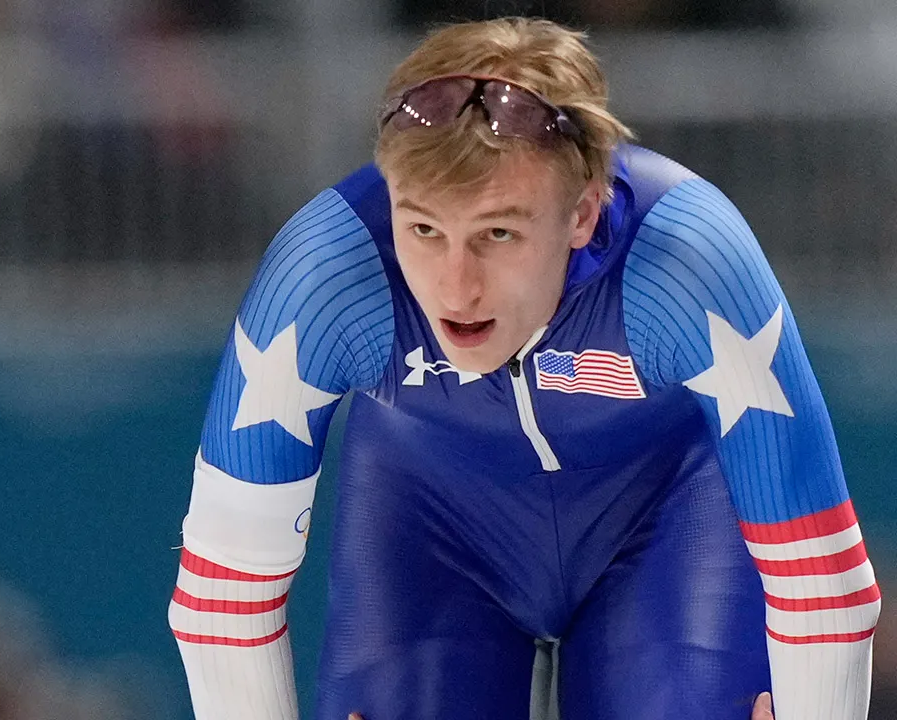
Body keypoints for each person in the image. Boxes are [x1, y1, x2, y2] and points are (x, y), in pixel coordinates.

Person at [167, 16, 879, 720]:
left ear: (584, 213)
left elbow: (823, 577)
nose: (456, 287)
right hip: (429, 532)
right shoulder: (327, 275)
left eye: (498, 232)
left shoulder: (687, 262)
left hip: (667, 515)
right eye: (423, 228)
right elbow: (223, 595)